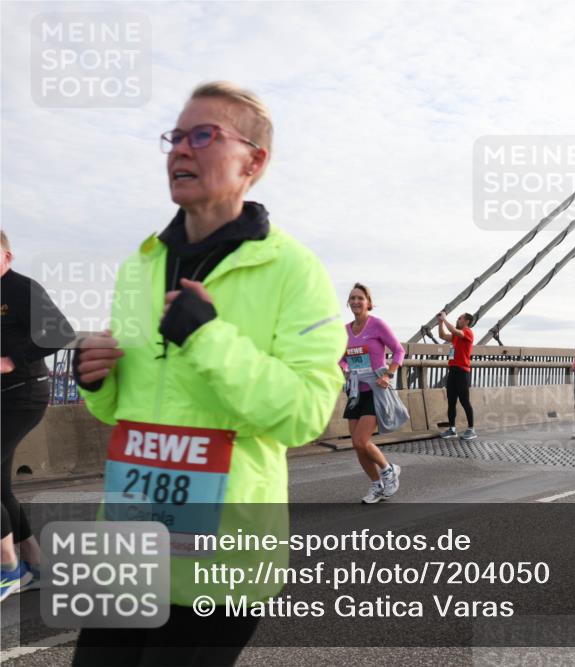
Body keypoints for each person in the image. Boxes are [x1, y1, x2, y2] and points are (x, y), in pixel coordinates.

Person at [71, 82, 346, 665]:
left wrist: (210, 337)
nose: (180, 150)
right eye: (175, 136)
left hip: (222, 559)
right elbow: (123, 410)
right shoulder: (138, 265)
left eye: (204, 136)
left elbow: (305, 414)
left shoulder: (295, 271)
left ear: (254, 161)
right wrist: (96, 381)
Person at [1, 231, 76, 600]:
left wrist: (13, 359)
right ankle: (37, 564)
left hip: (24, 395)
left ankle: (8, 569)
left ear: (8, 256)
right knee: (1, 486)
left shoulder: (20, 289)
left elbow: (60, 332)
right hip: (2, 398)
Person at [340, 283, 404, 504]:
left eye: (360, 298)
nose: (356, 302)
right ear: (349, 303)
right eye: (352, 298)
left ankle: (388, 470)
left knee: (361, 439)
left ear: (368, 302)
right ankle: (376, 484)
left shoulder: (377, 325)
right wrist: (344, 367)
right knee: (357, 444)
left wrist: (388, 374)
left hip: (376, 390)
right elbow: (341, 357)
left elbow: (399, 350)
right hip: (356, 391)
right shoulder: (345, 330)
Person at [437, 312, 477, 441]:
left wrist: (445, 319)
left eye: (460, 318)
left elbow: (454, 330)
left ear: (466, 321)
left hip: (462, 372)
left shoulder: (468, 332)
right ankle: (452, 429)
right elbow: (442, 335)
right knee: (451, 401)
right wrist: (440, 322)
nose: (458, 320)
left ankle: (471, 429)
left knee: (464, 401)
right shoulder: (455, 336)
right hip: (453, 371)